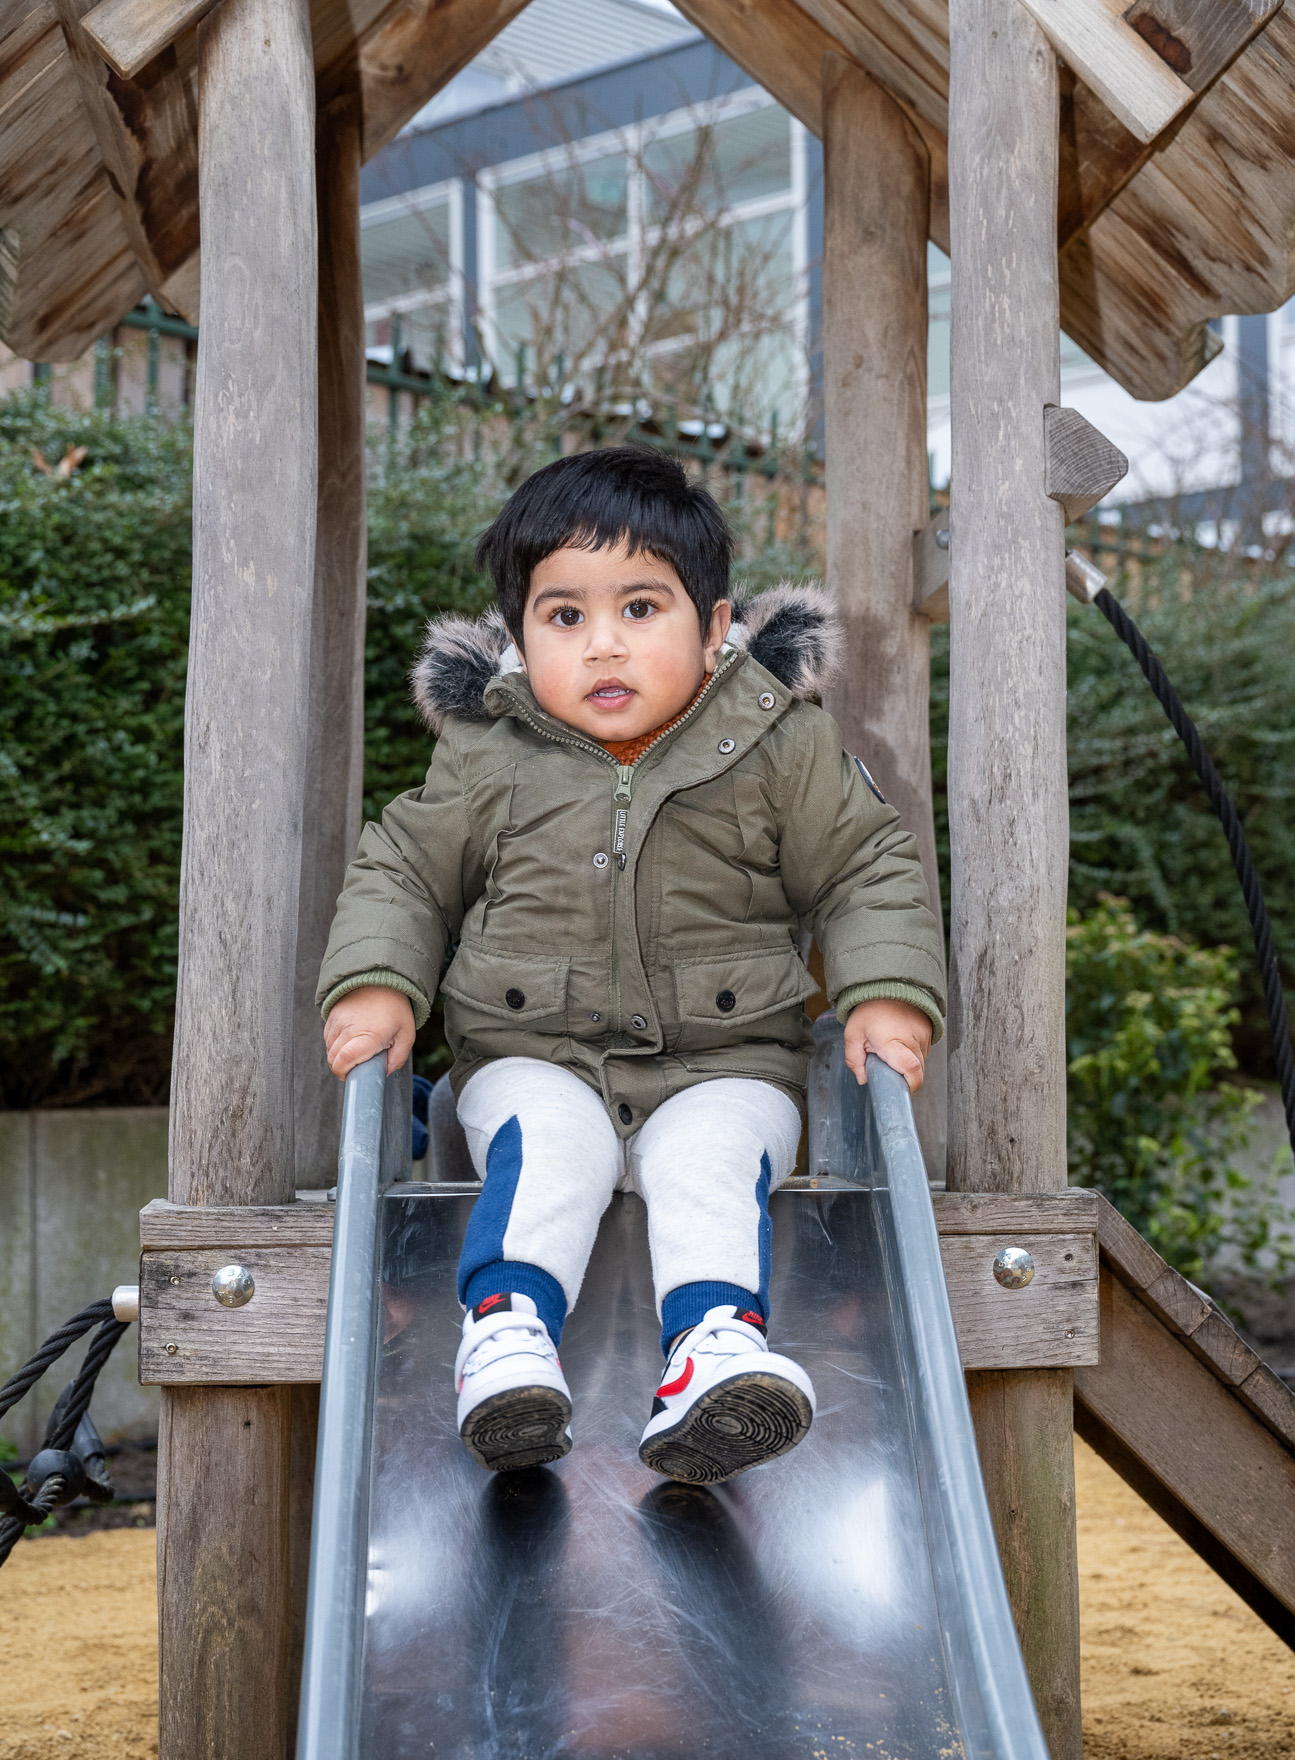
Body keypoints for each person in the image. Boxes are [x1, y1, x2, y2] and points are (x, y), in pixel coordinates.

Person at [318, 446, 945, 1485]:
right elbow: (405, 868)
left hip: (728, 1061)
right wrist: (381, 980)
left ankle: (712, 1353)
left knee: (708, 1157)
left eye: (641, 609)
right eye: (564, 617)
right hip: (532, 1054)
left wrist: (885, 993)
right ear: (521, 638)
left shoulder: (777, 744)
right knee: (548, 1140)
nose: (603, 644)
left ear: (713, 628)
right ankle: (505, 1333)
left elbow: (865, 863)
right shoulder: (491, 755)